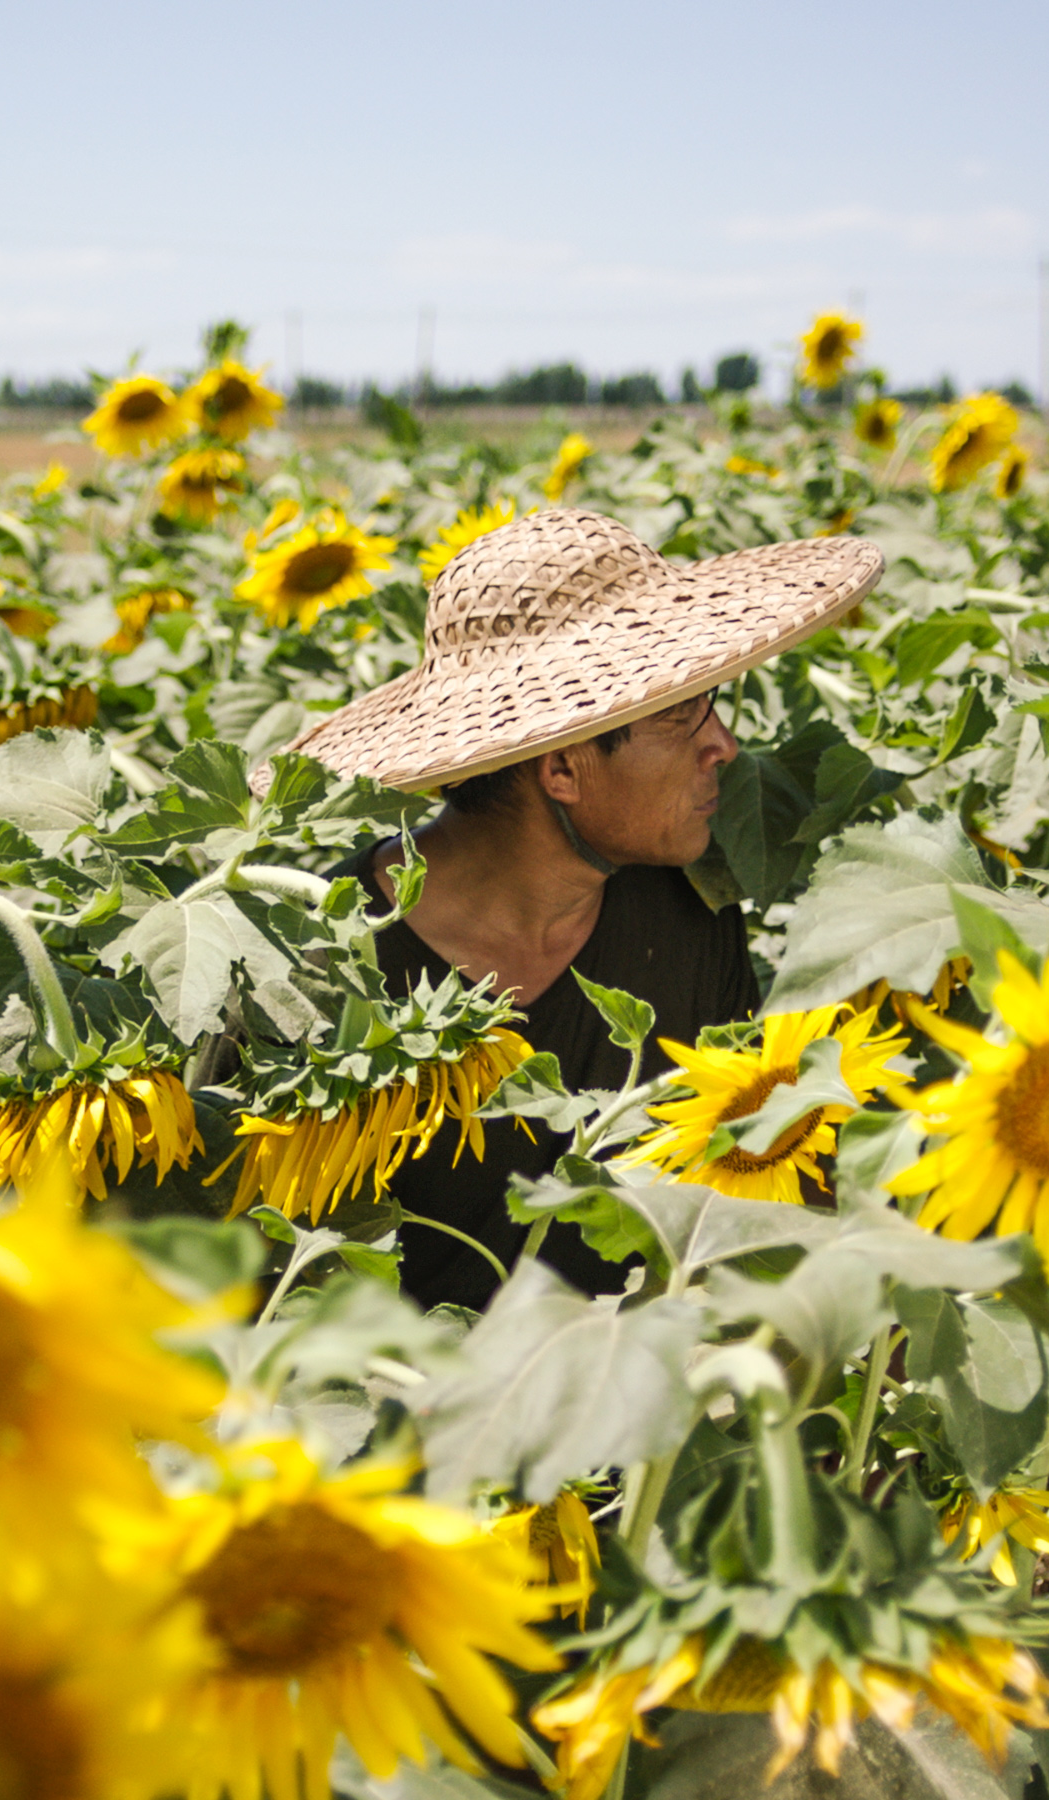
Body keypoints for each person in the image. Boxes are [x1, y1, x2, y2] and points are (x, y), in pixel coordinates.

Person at [283, 507, 882, 1310]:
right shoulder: (320, 968)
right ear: (562, 769)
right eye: (680, 714)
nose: (725, 746)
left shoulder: (688, 910)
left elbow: (740, 1186)